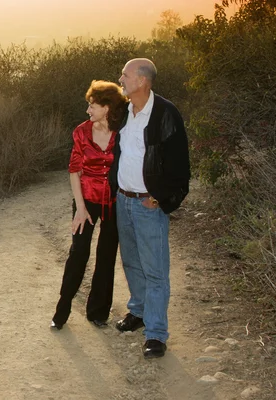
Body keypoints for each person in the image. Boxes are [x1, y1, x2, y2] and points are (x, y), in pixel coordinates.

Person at [109, 58, 190, 358]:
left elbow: (180, 164)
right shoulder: (125, 112)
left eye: (126, 75)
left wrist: (162, 196)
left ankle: (155, 333)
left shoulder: (166, 113)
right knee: (131, 262)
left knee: (155, 270)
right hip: (124, 200)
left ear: (142, 81)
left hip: (147, 203)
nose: (121, 79)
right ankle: (139, 312)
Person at [50, 80, 127, 331]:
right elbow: (74, 171)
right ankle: (62, 308)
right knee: (79, 252)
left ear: (107, 107)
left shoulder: (122, 131)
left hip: (115, 201)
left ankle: (98, 312)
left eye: (92, 105)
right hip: (87, 200)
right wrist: (80, 208)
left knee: (106, 256)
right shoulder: (81, 132)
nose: (88, 110)